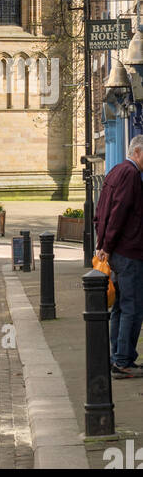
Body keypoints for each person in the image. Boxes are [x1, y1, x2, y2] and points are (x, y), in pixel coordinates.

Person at [95, 133, 143, 379]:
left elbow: (100, 210)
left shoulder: (115, 171)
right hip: (129, 252)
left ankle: (118, 357)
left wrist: (103, 244)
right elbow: (118, 212)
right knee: (132, 307)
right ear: (137, 152)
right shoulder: (131, 174)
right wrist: (108, 244)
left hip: (117, 252)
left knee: (121, 308)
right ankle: (123, 360)